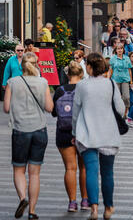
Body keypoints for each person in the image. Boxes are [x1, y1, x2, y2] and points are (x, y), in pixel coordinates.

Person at [73, 53, 125, 220]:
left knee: (91, 172)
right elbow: (120, 107)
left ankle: (94, 208)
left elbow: (75, 113)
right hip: (108, 133)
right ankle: (108, 207)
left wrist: (74, 133)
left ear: (89, 67)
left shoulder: (81, 86)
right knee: (108, 173)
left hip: (87, 133)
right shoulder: (110, 84)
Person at [4, 51, 54, 219]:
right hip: (39, 130)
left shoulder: (12, 82)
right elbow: (49, 107)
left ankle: (22, 198)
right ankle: (32, 211)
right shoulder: (43, 82)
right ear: (37, 64)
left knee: (19, 169)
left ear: (21, 65)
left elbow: (5, 108)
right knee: (35, 173)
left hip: (19, 130)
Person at [52, 61, 88, 213]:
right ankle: (85, 200)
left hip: (64, 132)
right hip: (83, 132)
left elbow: (54, 113)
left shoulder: (60, 90)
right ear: (81, 74)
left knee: (70, 168)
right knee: (84, 168)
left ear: (67, 75)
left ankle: (72, 202)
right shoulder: (85, 89)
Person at [107, 42, 132, 117]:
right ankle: (117, 113)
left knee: (126, 97)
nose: (120, 50)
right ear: (116, 50)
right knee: (116, 97)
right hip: (116, 79)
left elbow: (129, 70)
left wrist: (131, 81)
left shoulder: (127, 58)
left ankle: (125, 112)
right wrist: (108, 80)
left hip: (125, 79)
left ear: (123, 50)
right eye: (118, 49)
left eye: (121, 49)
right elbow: (110, 70)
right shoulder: (113, 59)